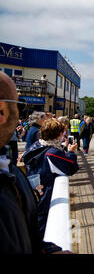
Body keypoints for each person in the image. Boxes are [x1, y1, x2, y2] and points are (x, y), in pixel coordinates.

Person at [0, 72, 67, 254]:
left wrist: (47, 250)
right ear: (2, 111)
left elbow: (28, 235)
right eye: (20, 106)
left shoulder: (10, 172)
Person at [22, 119, 79, 241]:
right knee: (43, 229)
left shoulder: (37, 145)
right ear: (59, 134)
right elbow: (71, 168)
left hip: (35, 193)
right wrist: (71, 152)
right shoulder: (52, 153)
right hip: (46, 196)